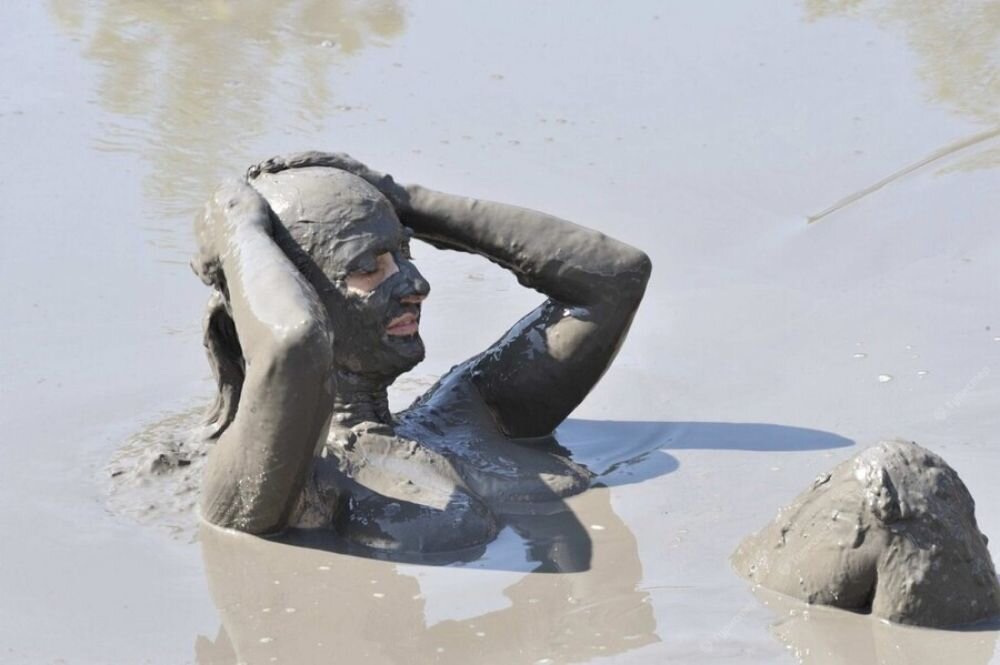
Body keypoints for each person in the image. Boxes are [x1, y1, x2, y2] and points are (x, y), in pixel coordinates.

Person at [192, 151, 651, 553]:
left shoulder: (471, 415)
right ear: (303, 295)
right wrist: (237, 228)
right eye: (369, 267)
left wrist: (405, 199)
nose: (417, 286)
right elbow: (293, 345)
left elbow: (614, 278)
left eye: (405, 254)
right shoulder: (286, 480)